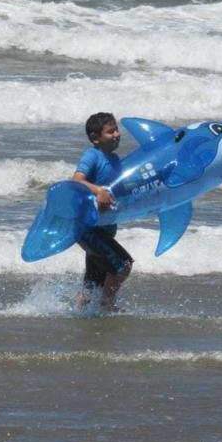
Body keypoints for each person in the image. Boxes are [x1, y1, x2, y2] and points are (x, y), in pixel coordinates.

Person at [72, 112, 134, 312]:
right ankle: (107, 306)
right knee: (123, 266)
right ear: (95, 138)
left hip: (105, 228)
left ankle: (81, 314)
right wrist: (98, 191)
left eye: (116, 130)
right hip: (89, 228)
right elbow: (77, 180)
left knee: (93, 284)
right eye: (110, 131)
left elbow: (119, 189)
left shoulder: (115, 159)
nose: (117, 134)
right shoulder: (92, 156)